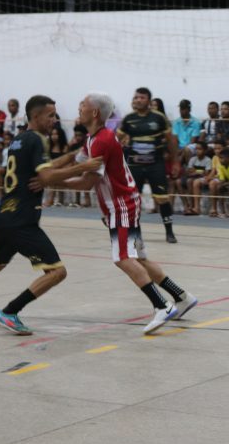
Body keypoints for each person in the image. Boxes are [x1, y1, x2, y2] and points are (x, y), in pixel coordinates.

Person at [0, 95, 102, 335]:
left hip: (4, 214)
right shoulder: (38, 139)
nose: (54, 120)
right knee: (57, 272)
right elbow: (47, 176)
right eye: (50, 115)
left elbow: (45, 170)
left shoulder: (19, 139)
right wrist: (83, 167)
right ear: (35, 116)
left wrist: (72, 156)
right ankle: (9, 312)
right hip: (21, 219)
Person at [59, 92, 198, 334]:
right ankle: (182, 297)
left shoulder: (101, 141)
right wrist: (49, 168)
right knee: (139, 258)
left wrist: (51, 181)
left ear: (95, 113)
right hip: (122, 203)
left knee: (122, 257)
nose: (78, 108)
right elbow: (76, 161)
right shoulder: (93, 138)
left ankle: (162, 305)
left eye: (82, 105)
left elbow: (86, 182)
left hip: (121, 205)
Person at [118, 87, 178, 243]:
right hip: (135, 165)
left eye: (142, 97)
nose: (138, 100)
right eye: (136, 97)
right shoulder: (128, 119)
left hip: (155, 164)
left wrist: (175, 162)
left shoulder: (159, 118)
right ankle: (135, 233)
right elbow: (115, 139)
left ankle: (169, 232)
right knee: (133, 200)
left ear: (149, 101)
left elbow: (171, 140)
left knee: (162, 199)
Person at [181, 141, 212, 215]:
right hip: (194, 178)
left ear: (205, 150)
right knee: (188, 181)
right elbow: (189, 172)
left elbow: (206, 173)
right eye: (196, 149)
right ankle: (191, 205)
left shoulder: (208, 160)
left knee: (194, 182)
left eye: (200, 149)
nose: (197, 151)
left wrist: (196, 172)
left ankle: (196, 207)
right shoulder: (193, 159)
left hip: (203, 179)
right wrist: (200, 172)